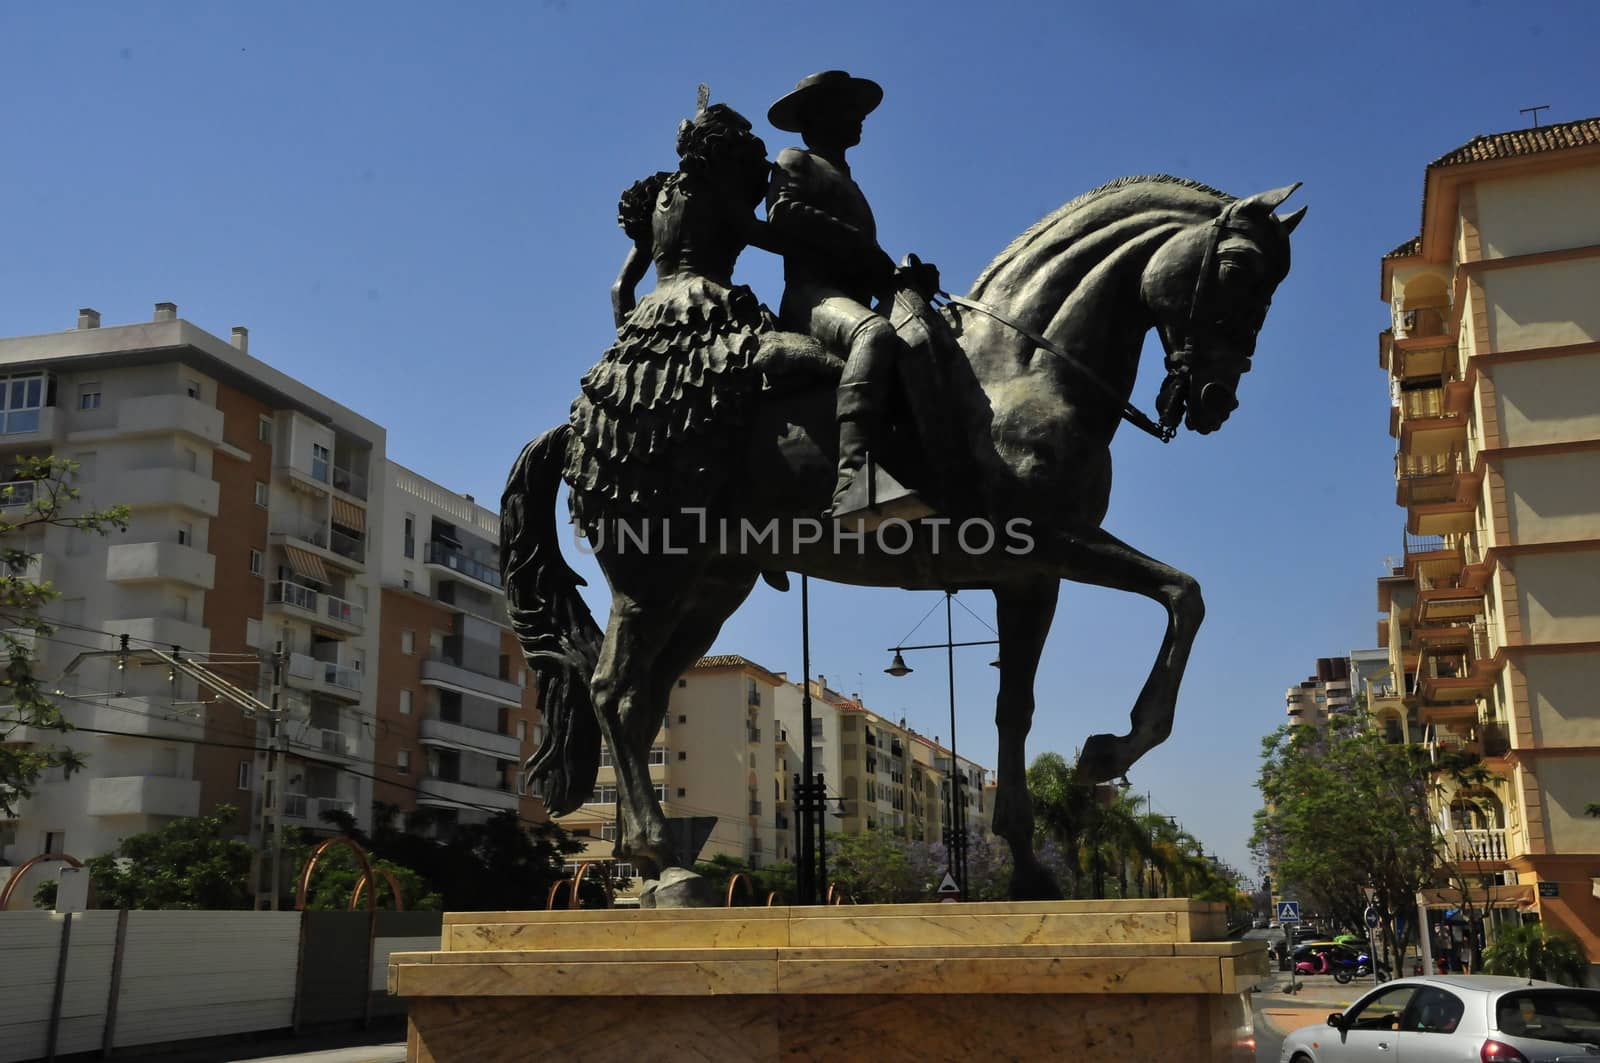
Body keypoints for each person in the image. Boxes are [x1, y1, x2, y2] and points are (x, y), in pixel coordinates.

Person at [567, 103, 777, 522]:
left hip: (651, 315)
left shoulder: (658, 197)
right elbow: (762, 235)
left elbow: (620, 288)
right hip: (711, 304)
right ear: (723, 150)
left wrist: (630, 343)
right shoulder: (721, 188)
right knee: (779, 379)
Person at [765, 70, 936, 517]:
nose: (859, 118)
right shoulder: (795, 160)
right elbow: (785, 214)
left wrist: (904, 280)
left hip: (851, 296)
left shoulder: (849, 181)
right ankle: (853, 479)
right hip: (811, 298)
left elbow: (867, 262)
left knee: (924, 339)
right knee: (875, 334)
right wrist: (864, 248)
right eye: (847, 108)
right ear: (817, 117)